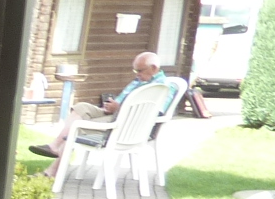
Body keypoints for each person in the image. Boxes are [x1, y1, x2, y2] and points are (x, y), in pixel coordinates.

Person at [29, 51, 172, 167]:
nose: (137, 74)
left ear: (154, 68)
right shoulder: (140, 80)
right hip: (114, 113)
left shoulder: (163, 87)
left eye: (140, 70)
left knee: (76, 127)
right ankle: (54, 146)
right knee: (81, 107)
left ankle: (51, 173)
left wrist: (119, 108)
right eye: (135, 70)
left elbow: (152, 113)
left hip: (125, 124)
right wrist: (112, 106)